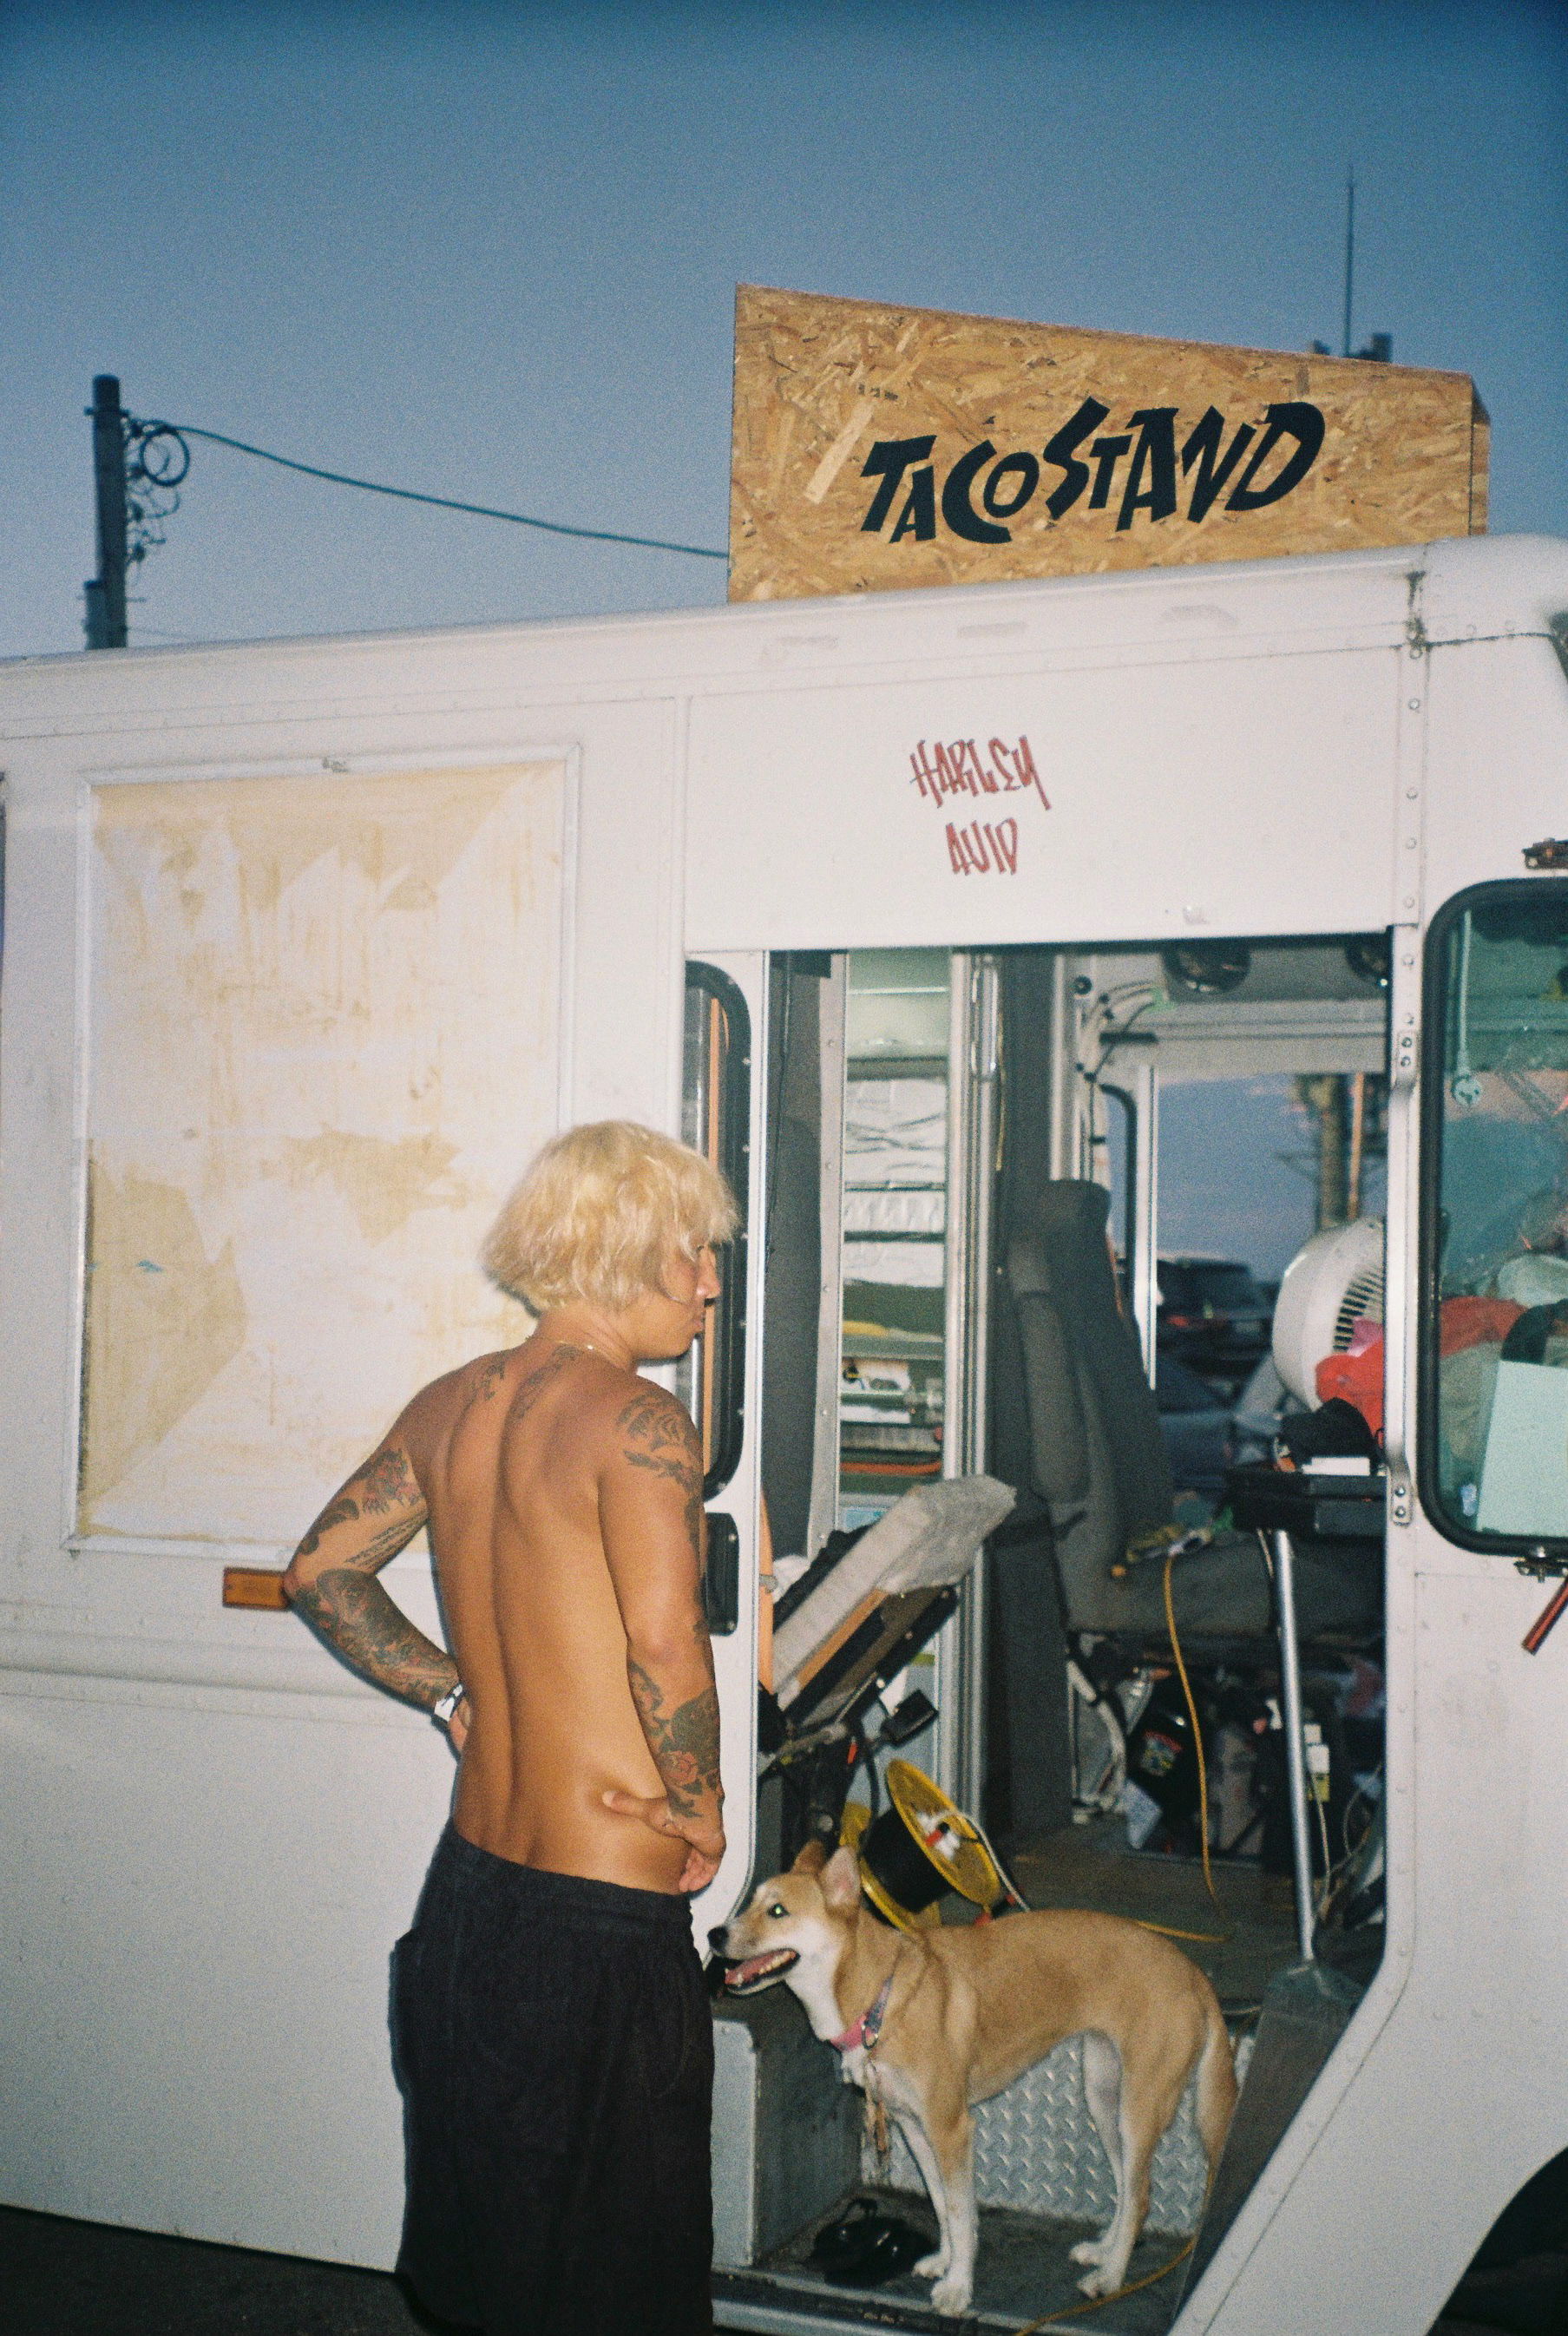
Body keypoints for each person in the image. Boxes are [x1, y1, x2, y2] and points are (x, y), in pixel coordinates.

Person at [282, 1119, 738, 2336]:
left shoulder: (450, 1406)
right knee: (620, 2287)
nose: (709, 1281)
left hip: (472, 1902)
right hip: (599, 1920)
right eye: (692, 1249)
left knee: (496, 2260)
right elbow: (663, 1638)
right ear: (619, 1249)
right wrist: (702, 1808)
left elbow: (320, 1572)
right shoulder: (639, 1420)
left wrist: (450, 1693)